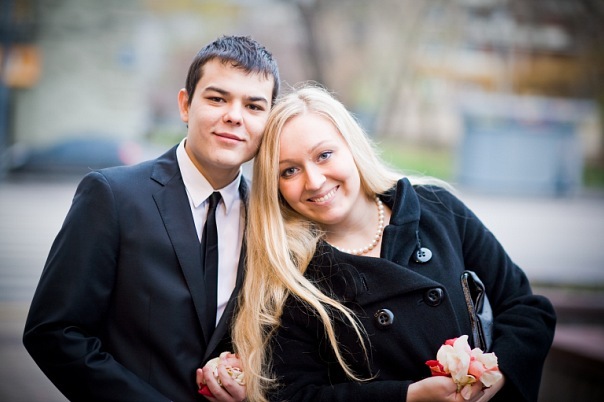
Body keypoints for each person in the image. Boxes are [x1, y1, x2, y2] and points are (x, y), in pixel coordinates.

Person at [232, 84, 556, 402]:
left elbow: (526, 308)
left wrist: (495, 374)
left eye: (324, 155)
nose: (314, 181)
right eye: (289, 171)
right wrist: (408, 396)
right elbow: (293, 394)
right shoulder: (290, 272)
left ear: (352, 146)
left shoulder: (437, 209)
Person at [23, 35, 279, 402]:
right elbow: (54, 332)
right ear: (185, 105)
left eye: (254, 106)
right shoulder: (113, 196)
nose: (234, 116)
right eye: (217, 99)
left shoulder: (271, 218)